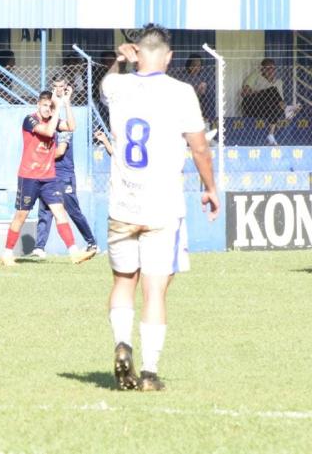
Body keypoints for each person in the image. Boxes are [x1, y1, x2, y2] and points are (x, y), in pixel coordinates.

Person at [101, 24, 219, 391]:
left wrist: (120, 60)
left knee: (123, 281)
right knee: (155, 289)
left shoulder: (117, 86)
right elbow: (199, 148)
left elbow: (107, 83)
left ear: (136, 52)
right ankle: (149, 373)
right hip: (162, 206)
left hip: (122, 203)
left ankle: (123, 344)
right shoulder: (181, 92)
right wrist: (210, 187)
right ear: (167, 56)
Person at [1, 87, 95, 267]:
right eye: (45, 105)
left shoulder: (54, 118)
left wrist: (66, 104)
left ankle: (74, 253)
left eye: (50, 107)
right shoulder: (29, 120)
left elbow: (71, 126)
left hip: (48, 177)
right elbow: (49, 132)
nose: (47, 109)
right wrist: (57, 107)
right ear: (38, 105)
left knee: (60, 212)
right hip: (29, 176)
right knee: (21, 215)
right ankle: (6, 253)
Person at [31, 79, 97, 259]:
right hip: (47, 171)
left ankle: (91, 242)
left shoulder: (61, 121)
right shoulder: (45, 118)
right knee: (45, 209)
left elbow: (60, 151)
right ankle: (39, 247)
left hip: (63, 172)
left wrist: (67, 104)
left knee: (72, 209)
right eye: (55, 87)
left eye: (62, 87)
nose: (59, 90)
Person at [241, 58, 287, 145]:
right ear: (263, 69)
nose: (271, 70)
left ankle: (271, 135)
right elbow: (244, 93)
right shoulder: (256, 75)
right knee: (272, 90)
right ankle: (287, 109)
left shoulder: (279, 82)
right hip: (253, 106)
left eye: (273, 68)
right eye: (268, 68)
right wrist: (262, 92)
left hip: (268, 109)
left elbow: (280, 101)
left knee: (277, 104)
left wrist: (284, 106)